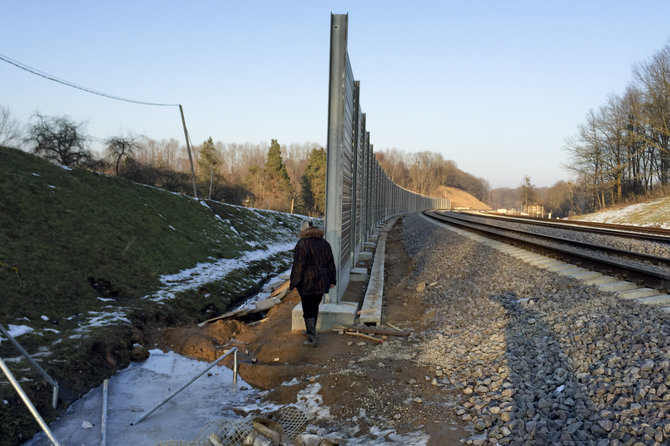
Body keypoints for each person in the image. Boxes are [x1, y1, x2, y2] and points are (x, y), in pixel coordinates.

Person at [289, 219, 336, 347]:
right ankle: (311, 331)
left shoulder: (302, 244)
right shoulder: (325, 243)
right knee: (314, 306)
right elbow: (331, 263)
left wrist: (294, 283)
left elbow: (298, 266)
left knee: (308, 308)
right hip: (322, 281)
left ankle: (311, 338)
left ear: (304, 231)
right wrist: (332, 280)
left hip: (307, 282)